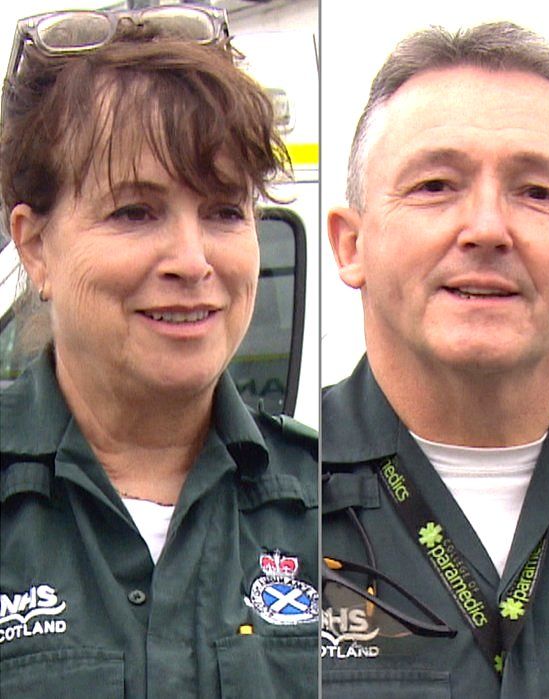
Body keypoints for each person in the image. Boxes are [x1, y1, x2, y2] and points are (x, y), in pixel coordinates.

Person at [321, 22, 549, 698]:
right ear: (350, 245)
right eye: (436, 185)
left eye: (538, 192)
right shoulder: (259, 509)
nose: (488, 229)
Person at [0, 7, 318, 697]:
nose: (192, 259)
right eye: (134, 211)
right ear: (34, 246)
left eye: (225, 210)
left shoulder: (341, 508)